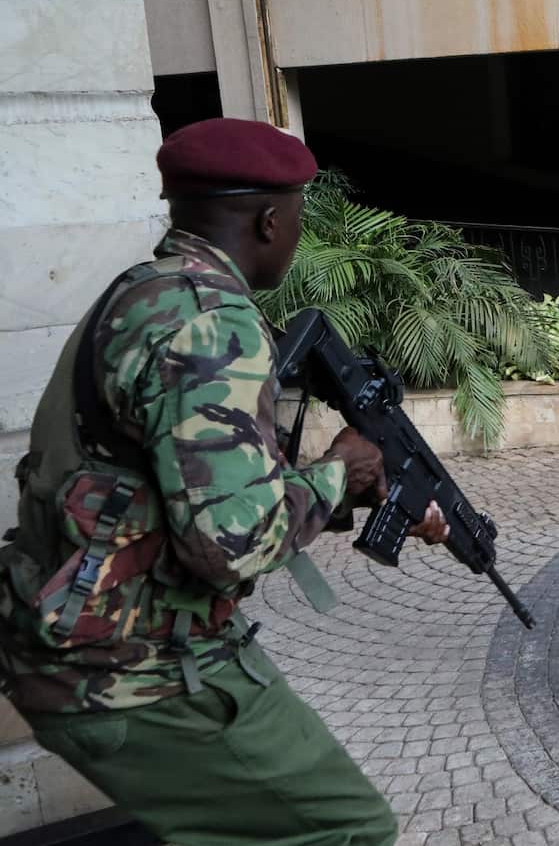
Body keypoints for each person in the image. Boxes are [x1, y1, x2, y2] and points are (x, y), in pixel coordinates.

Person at [0, 118, 449, 845]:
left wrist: (348, 489)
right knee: (348, 826)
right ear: (270, 220)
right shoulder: (213, 326)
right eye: (297, 216)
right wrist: (338, 472)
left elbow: (190, 487)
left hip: (82, 641)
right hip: (128, 668)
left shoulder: (146, 292)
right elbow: (232, 545)